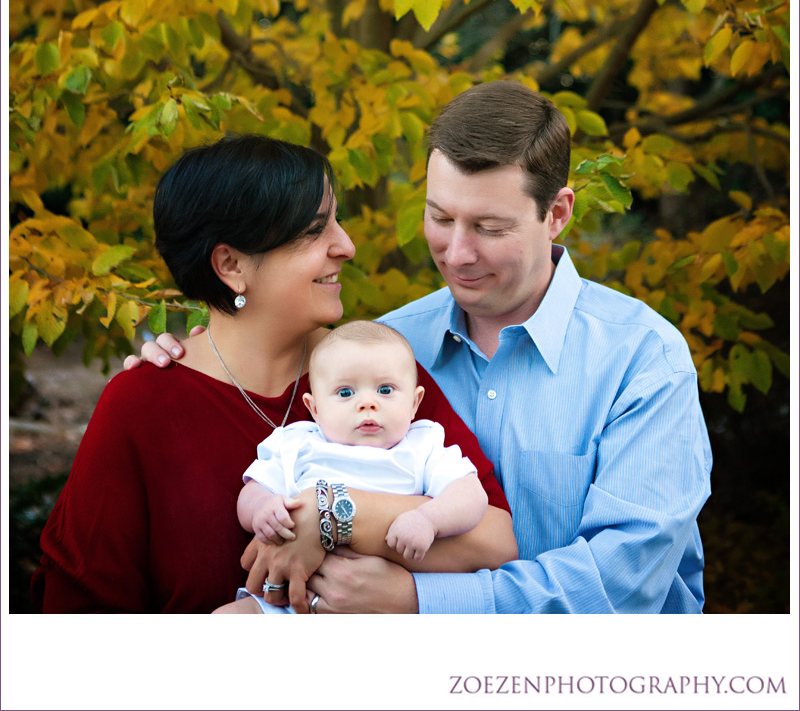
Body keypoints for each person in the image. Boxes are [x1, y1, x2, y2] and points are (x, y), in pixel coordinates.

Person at [138, 81, 713, 614]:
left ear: (556, 214)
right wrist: (178, 359)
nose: (456, 254)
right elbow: (251, 361)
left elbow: (625, 584)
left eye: (489, 227)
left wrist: (419, 602)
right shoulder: (387, 346)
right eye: (439, 218)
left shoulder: (641, 358)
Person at [32, 135, 515, 613]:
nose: (346, 246)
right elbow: (79, 612)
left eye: (338, 222)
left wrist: (331, 518)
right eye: (313, 231)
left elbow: (493, 542)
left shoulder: (378, 377)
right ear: (231, 264)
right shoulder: (143, 404)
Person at [220, 320, 498, 613]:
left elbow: (471, 495)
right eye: (345, 393)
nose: (368, 403)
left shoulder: (423, 445)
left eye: (386, 390)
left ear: (415, 403)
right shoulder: (298, 443)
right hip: (295, 599)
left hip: (384, 597)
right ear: (314, 408)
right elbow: (253, 489)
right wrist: (263, 508)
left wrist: (429, 519)